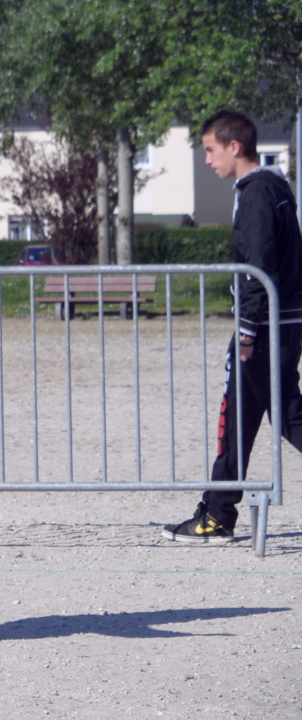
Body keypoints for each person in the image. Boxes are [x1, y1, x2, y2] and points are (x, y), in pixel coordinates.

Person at [162, 110, 302, 544]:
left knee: (264, 416)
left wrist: (246, 331)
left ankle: (219, 514)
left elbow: (257, 268)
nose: (207, 160)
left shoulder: (258, 192)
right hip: (280, 322)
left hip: (265, 327)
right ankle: (219, 511)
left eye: (210, 150)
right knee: (269, 416)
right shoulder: (272, 188)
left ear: (234, 146)